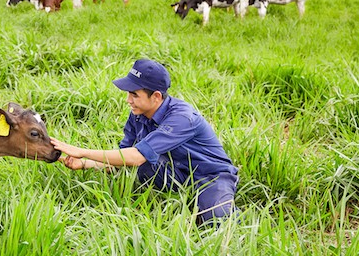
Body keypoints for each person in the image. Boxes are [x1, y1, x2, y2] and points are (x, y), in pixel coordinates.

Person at [50, 59, 239, 225]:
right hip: (176, 173)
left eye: (134, 95)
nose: (128, 100)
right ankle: (176, 204)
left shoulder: (182, 117)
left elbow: (134, 157)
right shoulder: (138, 114)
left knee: (218, 221)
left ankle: (219, 209)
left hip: (210, 176)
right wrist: (82, 164)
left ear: (156, 96)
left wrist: (81, 151)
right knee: (144, 164)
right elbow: (122, 160)